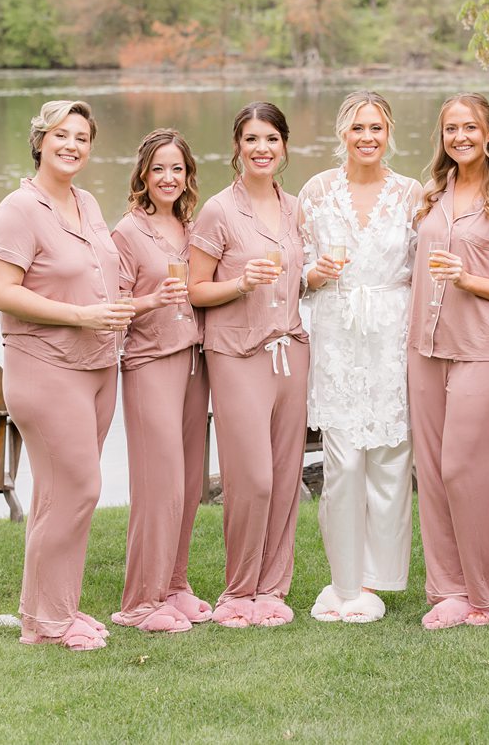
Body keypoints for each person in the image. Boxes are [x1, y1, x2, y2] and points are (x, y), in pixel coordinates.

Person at [0, 99, 134, 651]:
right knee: (80, 488)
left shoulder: (87, 202)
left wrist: (133, 304)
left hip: (96, 367)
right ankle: (47, 622)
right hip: (45, 369)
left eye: (82, 138)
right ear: (39, 140)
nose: (72, 145)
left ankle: (52, 613)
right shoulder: (19, 209)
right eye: (61, 135)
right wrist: (80, 316)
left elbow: (98, 277)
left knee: (57, 494)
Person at [407, 92, 489, 630]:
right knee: (434, 472)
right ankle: (450, 590)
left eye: (469, 128)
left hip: (484, 348)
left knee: (469, 470)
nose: (459, 137)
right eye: (450, 129)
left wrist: (469, 279)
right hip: (426, 347)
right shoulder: (432, 194)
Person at [298, 91, 421, 624]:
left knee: (392, 456)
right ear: (341, 133)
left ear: (389, 132)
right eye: (357, 128)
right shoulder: (316, 191)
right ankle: (344, 580)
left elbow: (426, 269)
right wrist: (314, 276)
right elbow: (295, 272)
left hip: (393, 334)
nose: (367, 137)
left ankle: (378, 579)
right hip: (338, 333)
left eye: (376, 128)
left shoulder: (414, 194)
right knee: (344, 461)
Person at [187, 101, 311, 628]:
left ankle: (272, 589)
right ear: (236, 147)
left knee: (286, 479)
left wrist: (317, 277)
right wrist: (240, 283)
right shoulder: (217, 210)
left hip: (291, 350)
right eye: (252, 139)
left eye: (271, 139)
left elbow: (296, 283)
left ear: (284, 147)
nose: (262, 148)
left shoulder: (296, 209)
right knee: (253, 479)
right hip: (237, 353)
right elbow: (194, 290)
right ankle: (238, 591)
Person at [109, 129, 212, 634]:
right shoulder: (127, 233)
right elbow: (114, 308)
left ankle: (175, 584)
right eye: (159, 169)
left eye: (177, 169)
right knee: (159, 485)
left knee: (190, 483)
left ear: (188, 175)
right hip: (150, 363)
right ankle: (139, 603)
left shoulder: (193, 227)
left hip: (195, 361)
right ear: (143, 176)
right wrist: (154, 300)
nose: (168, 178)